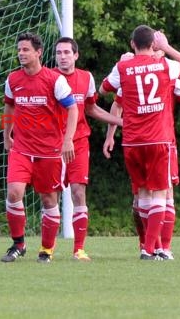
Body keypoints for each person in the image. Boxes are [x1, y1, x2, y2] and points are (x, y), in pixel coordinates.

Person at [99, 26, 180, 260]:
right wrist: (166, 47)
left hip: (133, 141)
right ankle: (150, 248)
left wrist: (121, 64)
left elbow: (103, 90)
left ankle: (156, 247)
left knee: (143, 195)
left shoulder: (123, 67)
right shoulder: (166, 67)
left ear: (132, 44)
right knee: (160, 195)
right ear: (154, 44)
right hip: (159, 139)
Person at [0, 32, 78, 263]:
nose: (20, 54)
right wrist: (7, 135)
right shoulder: (13, 79)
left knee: (48, 200)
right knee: (14, 192)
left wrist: (67, 139)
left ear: (38, 53)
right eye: (19, 50)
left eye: (25, 50)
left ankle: (46, 249)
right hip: (22, 149)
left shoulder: (54, 80)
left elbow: (73, 108)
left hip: (50, 151)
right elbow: (10, 108)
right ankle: (18, 244)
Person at [52, 37, 123, 261]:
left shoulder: (86, 78)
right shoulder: (48, 78)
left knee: (78, 192)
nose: (62, 56)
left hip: (79, 142)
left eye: (66, 52)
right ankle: (47, 249)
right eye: (58, 53)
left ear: (76, 55)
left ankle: (79, 249)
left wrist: (120, 122)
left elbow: (91, 109)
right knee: (50, 196)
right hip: (53, 143)